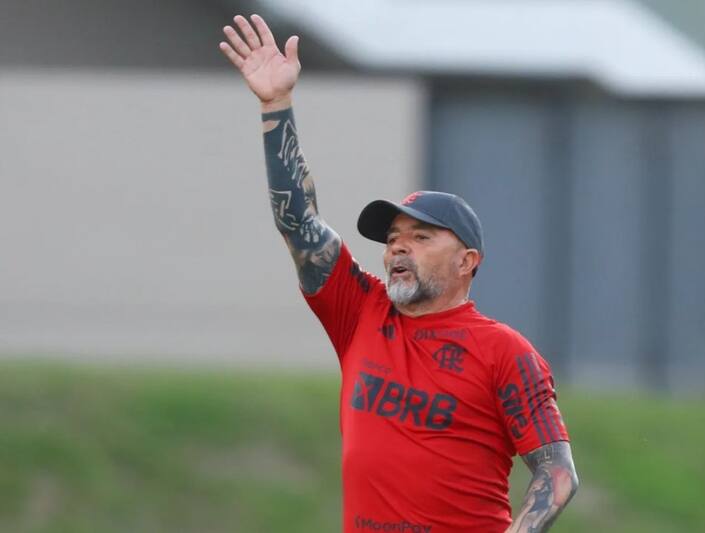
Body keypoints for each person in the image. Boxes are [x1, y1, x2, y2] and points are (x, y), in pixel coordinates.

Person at [219, 14, 578, 532]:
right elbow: (297, 223)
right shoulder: (360, 311)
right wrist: (275, 104)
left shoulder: (506, 353)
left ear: (467, 261)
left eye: (421, 237)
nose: (399, 248)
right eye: (392, 240)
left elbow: (557, 474)